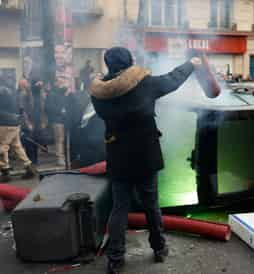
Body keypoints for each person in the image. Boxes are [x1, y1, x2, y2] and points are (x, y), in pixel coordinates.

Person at [90, 47, 201, 274]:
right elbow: (172, 80)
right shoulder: (144, 84)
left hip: (118, 156)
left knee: (119, 208)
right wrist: (192, 64)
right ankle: (159, 248)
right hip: (145, 156)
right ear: (130, 62)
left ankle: (116, 258)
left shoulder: (98, 93)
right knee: (151, 205)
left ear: (108, 65)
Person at [0, 82, 37, 182]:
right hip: (15, 124)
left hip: (5, 124)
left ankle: (5, 173)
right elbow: (21, 109)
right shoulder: (12, 93)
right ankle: (29, 168)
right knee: (17, 147)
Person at [45, 76, 69, 167]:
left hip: (65, 120)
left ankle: (64, 158)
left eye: (63, 82)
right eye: (61, 83)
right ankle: (60, 159)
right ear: (56, 83)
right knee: (59, 140)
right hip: (57, 121)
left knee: (62, 140)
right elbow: (48, 107)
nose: (63, 84)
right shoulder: (52, 93)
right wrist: (60, 111)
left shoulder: (64, 93)